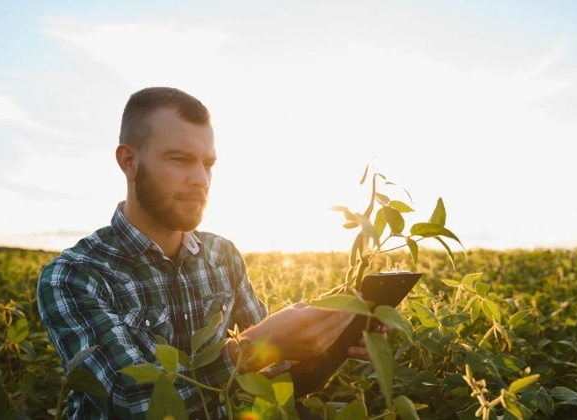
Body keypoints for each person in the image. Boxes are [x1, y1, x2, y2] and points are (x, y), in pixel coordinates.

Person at [36, 87, 375, 419]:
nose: (201, 179)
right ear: (129, 161)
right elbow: (132, 403)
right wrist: (252, 348)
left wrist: (331, 342)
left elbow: (272, 377)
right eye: (180, 159)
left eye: (208, 163)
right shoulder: (75, 275)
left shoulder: (223, 255)